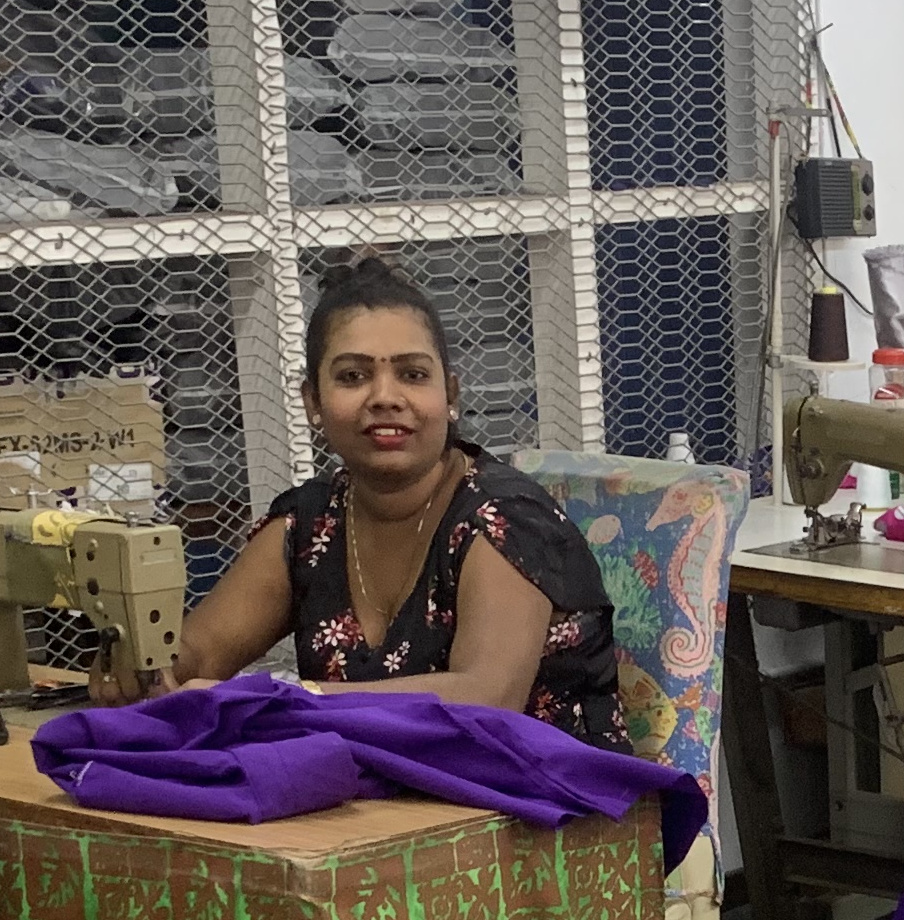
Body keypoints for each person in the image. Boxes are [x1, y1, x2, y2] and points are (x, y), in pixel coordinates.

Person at [174, 257, 629, 744]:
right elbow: (194, 658)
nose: (385, 397)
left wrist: (286, 700)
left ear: (450, 394)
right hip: (371, 784)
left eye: (412, 374)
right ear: (312, 403)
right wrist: (143, 668)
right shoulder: (309, 525)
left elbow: (486, 701)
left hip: (529, 782)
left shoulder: (504, 519)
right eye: (353, 376)